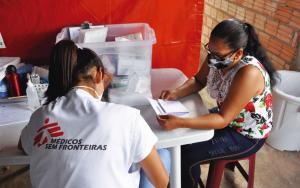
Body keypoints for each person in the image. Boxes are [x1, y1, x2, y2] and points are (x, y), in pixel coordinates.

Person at [19, 40, 169, 188]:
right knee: (161, 155)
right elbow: (162, 182)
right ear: (98, 75)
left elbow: (23, 146)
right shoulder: (127, 118)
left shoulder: (41, 116)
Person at [158, 19, 276, 187]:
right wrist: (176, 92)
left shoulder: (248, 73)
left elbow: (223, 119)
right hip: (227, 116)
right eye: (210, 51)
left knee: (186, 154)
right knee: (182, 141)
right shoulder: (217, 56)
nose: (212, 59)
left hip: (246, 134)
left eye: (218, 55)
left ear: (238, 54)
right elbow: (199, 80)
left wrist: (180, 122)